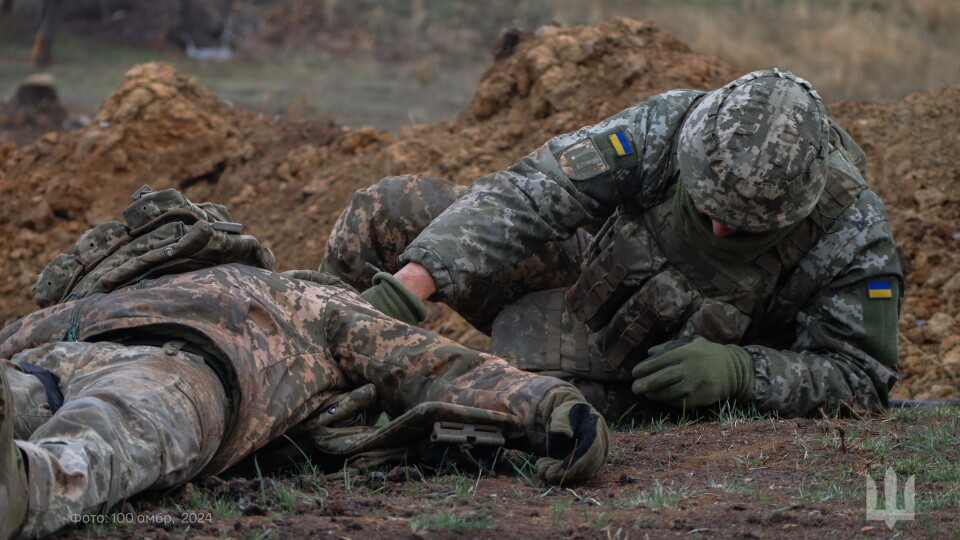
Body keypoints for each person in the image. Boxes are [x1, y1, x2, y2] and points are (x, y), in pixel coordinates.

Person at [0, 189, 608, 539]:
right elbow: (439, 365)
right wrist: (550, 404)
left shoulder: (133, 282)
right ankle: (27, 485)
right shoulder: (323, 304)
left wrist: (551, 406)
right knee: (114, 430)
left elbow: (440, 368)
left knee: (104, 426)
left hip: (93, 356)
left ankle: (25, 487)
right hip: (176, 372)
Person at [322, 69, 903, 420]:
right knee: (390, 210)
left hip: (662, 376)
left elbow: (861, 377)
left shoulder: (853, 234)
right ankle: (318, 384)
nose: (721, 231)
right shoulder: (671, 126)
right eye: (705, 210)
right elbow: (531, 192)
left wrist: (742, 373)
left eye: (745, 228)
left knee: (519, 396)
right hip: (591, 271)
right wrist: (416, 280)